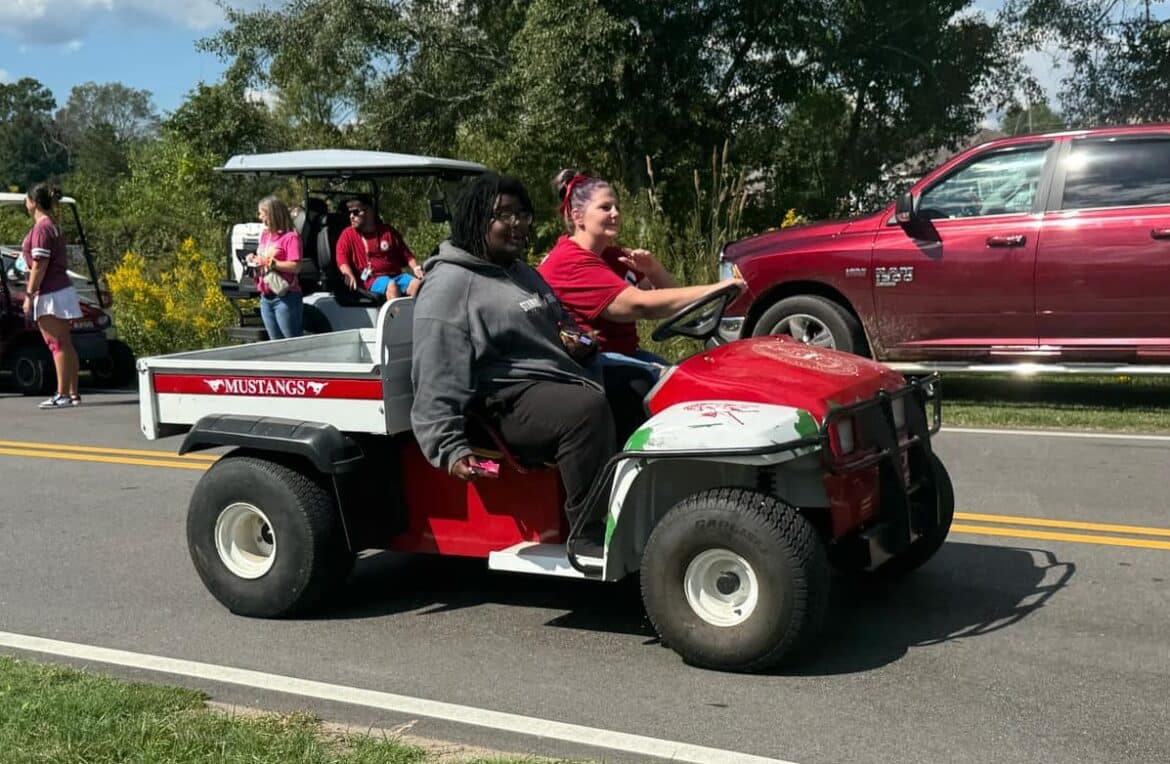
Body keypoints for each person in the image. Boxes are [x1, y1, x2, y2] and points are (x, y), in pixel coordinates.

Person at [411, 173, 615, 556]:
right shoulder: (451, 285)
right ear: (476, 220)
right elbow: (436, 372)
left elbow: (560, 323)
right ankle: (589, 533)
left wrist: (578, 341)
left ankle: (641, 503)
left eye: (523, 214)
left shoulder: (520, 271)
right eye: (505, 215)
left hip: (552, 376)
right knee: (586, 411)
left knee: (637, 382)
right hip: (502, 399)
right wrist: (449, 446)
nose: (519, 223)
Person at [538, 169, 743, 441]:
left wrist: (654, 269)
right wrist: (717, 288)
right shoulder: (570, 262)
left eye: (617, 207)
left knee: (692, 380)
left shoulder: (612, 256)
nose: (615, 214)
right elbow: (641, 306)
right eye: (605, 207)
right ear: (578, 217)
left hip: (623, 353)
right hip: (588, 363)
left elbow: (669, 297)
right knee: (670, 387)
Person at [21, 183, 82, 409]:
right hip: (62, 288)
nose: (25, 202)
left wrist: (29, 294)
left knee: (56, 343)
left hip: (51, 293)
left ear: (34, 202)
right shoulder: (52, 226)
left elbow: (40, 264)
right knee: (65, 343)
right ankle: (72, 393)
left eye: (27, 198)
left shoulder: (42, 228)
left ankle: (62, 394)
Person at [335, 194, 424, 299]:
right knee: (392, 286)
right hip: (372, 279)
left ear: (370, 211)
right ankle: (397, 310)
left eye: (355, 212)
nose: (351, 216)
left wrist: (415, 268)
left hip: (397, 276)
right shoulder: (348, 234)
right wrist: (348, 273)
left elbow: (406, 254)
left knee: (418, 285)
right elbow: (342, 258)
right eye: (349, 213)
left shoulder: (388, 231)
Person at [251, 195, 303, 340]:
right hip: (265, 297)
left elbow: (296, 267)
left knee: (292, 342)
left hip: (285, 297)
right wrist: (253, 258)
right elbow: (262, 257)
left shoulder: (291, 237)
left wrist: (270, 263)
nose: (260, 217)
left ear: (271, 215)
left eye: (262, 213)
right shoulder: (265, 235)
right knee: (275, 344)